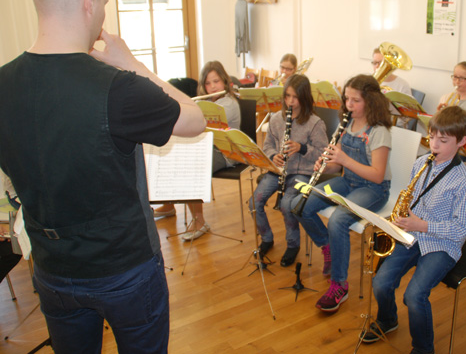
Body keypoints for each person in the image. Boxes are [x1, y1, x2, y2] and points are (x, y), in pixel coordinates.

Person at [0, 0, 205, 353]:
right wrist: (131, 62)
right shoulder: (117, 86)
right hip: (123, 268)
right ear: (90, 0)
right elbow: (195, 119)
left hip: (52, 268)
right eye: (106, 2)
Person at [362, 106, 466, 354]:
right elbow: (411, 198)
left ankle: (423, 348)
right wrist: (399, 220)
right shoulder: (420, 164)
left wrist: (422, 225)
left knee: (414, 296)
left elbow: (462, 229)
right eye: (432, 137)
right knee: (381, 282)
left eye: (443, 140)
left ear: (462, 142)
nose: (434, 145)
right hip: (411, 235)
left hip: (442, 244)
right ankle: (388, 319)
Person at [293, 74, 393, 312]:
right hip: (348, 181)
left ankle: (340, 285)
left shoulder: (379, 131)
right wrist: (325, 166)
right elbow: (337, 166)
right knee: (300, 204)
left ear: (370, 101)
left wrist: (344, 159)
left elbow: (378, 174)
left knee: (338, 219)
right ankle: (328, 247)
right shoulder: (346, 123)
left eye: (355, 100)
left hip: (374, 189)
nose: (349, 105)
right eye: (346, 99)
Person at [154, 61, 241, 241]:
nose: (212, 87)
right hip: (207, 146)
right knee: (175, 156)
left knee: (190, 169)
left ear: (224, 81)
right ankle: (169, 205)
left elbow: (199, 126)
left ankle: (199, 221)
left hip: (227, 152)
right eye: (208, 83)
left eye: (216, 81)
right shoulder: (207, 101)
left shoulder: (228, 104)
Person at [251, 74, 328, 266]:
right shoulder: (277, 119)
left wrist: (302, 148)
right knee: (255, 201)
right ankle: (267, 238)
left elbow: (323, 153)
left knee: (287, 204)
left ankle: (293, 245)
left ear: (304, 97)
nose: (290, 101)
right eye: (287, 96)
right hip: (279, 169)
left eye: (295, 97)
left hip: (303, 172)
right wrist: (272, 156)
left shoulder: (315, 123)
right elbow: (267, 144)